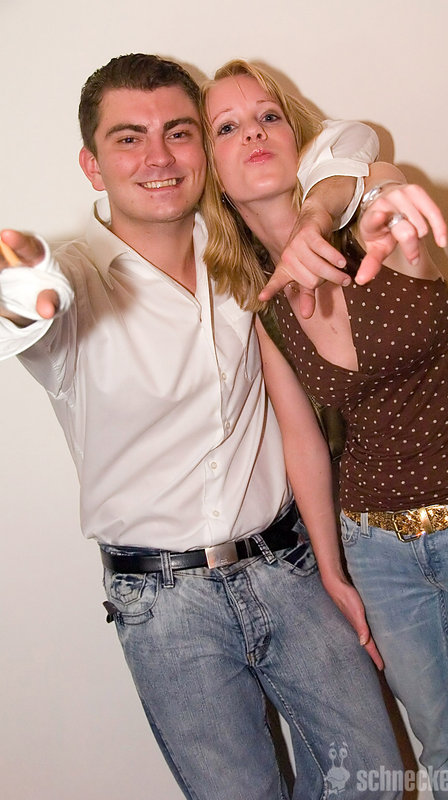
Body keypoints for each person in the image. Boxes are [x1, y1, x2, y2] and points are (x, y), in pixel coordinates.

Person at [0, 53, 413, 800]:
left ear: (204, 151)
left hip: (287, 567)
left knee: (374, 779)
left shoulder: (242, 255)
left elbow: (350, 141)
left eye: (179, 133)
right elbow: (31, 306)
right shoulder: (78, 281)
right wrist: (21, 289)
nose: (158, 157)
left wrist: (328, 203)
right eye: (129, 138)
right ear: (93, 166)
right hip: (163, 604)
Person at [200, 59, 448, 799]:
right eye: (227, 126)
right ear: (215, 174)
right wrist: (332, 568)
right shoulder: (264, 306)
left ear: (298, 138)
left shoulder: (374, 220)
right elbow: (302, 442)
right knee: (446, 753)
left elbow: (373, 171)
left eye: (269, 116)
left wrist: (328, 215)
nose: (253, 131)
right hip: (379, 553)